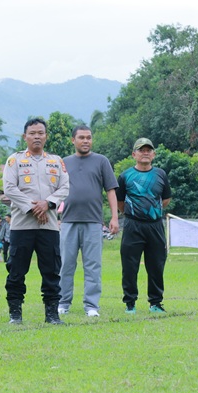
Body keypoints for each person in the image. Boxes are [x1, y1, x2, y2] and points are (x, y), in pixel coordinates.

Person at [2, 118, 70, 324]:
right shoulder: (14, 160)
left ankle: (52, 314)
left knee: (51, 271)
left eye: (41, 133)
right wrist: (33, 207)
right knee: (16, 271)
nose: (37, 136)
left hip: (49, 226)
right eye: (32, 133)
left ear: (46, 136)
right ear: (25, 137)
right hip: (22, 225)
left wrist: (47, 203)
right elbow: (9, 188)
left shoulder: (56, 161)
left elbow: (65, 187)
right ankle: (15, 314)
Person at [57, 125, 119, 317]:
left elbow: (110, 190)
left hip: (93, 222)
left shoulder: (101, 161)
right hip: (68, 221)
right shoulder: (63, 162)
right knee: (66, 264)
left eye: (89, 137)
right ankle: (63, 303)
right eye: (81, 137)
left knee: (93, 265)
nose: (86, 141)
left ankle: (91, 306)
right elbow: (55, 191)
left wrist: (114, 217)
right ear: (73, 140)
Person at [117, 138, 172, 314]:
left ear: (154, 154)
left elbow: (166, 199)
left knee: (156, 265)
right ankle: (130, 303)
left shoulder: (160, 174)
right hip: (133, 226)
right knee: (129, 266)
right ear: (134, 154)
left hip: (155, 226)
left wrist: (152, 211)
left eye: (149, 150)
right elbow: (120, 202)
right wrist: (134, 213)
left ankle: (155, 303)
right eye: (141, 150)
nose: (145, 153)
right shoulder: (125, 176)